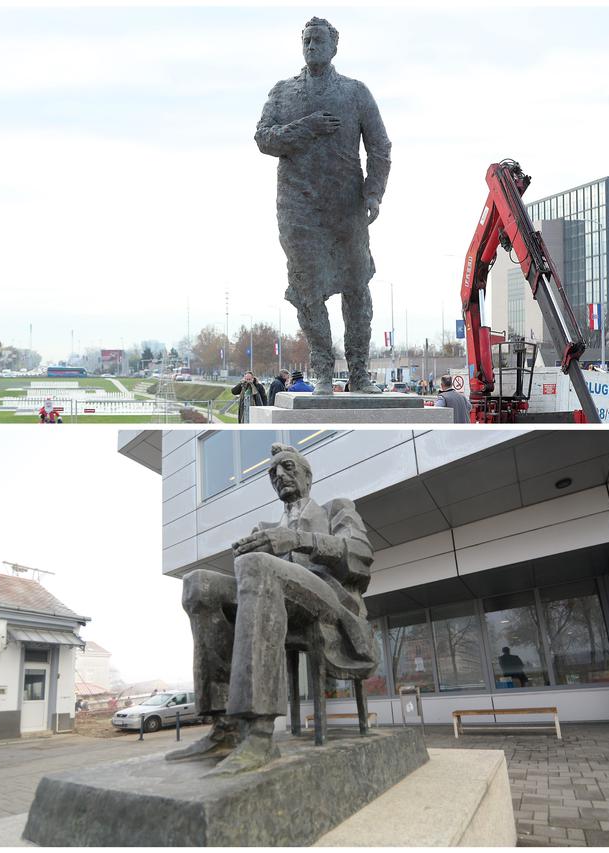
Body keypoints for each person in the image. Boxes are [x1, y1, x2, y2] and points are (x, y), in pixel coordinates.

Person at [167, 443, 378, 775]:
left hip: (328, 600)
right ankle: (225, 728)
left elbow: (360, 555)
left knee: (258, 566)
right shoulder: (265, 525)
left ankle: (260, 734)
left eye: (288, 467)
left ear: (308, 475)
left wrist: (295, 540)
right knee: (199, 584)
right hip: (278, 597)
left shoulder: (336, 508)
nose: (279, 475)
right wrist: (255, 549)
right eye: (272, 473)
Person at [256, 17, 391, 395]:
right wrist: (307, 127)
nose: (311, 46)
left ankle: (360, 372)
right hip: (298, 208)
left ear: (334, 46)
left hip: (346, 205)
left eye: (318, 40)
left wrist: (373, 193)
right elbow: (263, 139)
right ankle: (323, 372)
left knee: (356, 286)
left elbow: (380, 147)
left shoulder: (355, 93)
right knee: (307, 289)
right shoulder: (283, 93)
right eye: (307, 41)